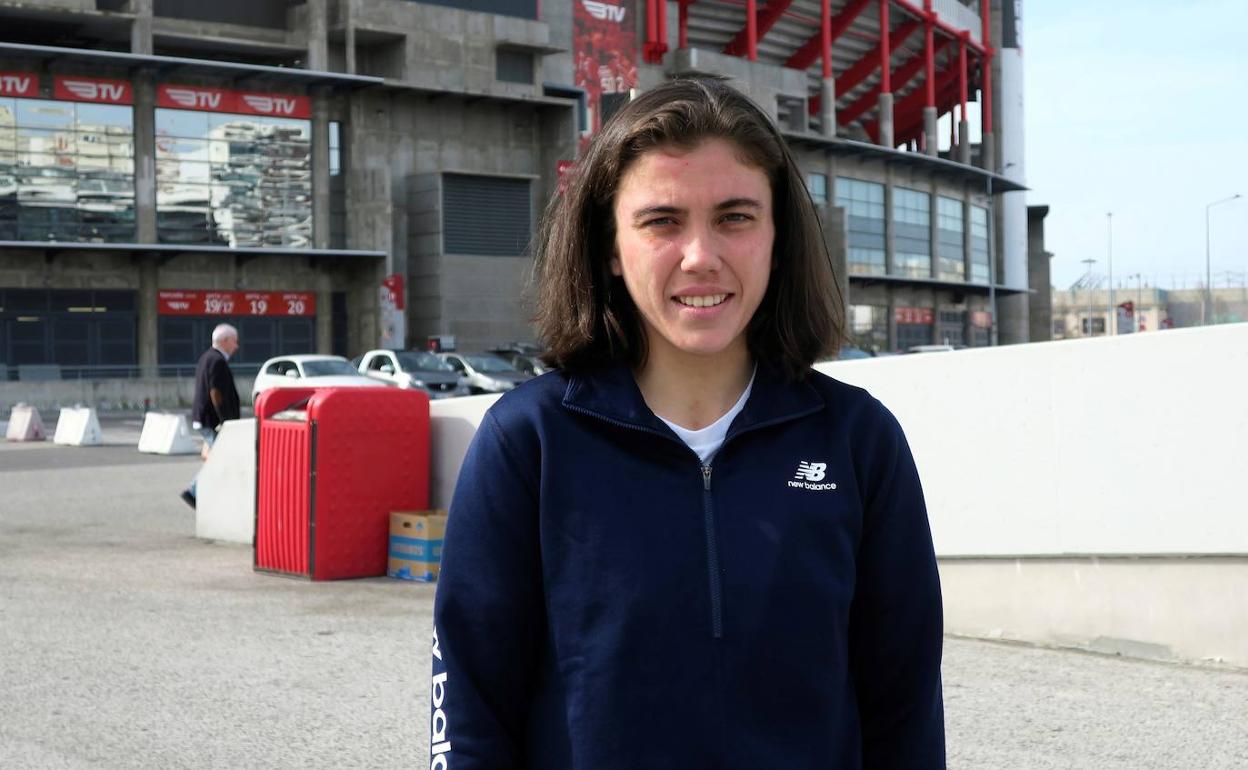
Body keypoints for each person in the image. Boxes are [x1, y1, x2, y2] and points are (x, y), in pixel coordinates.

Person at [431, 78, 944, 769]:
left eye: (735, 217)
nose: (701, 255)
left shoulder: (858, 442)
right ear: (611, 246)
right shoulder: (529, 443)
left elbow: (905, 709)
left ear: (777, 237)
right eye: (662, 221)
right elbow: (470, 711)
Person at [181, 323, 240, 509]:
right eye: (234, 341)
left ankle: (203, 492)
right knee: (220, 458)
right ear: (225, 341)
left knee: (217, 456)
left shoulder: (207, 357)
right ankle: (194, 492)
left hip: (204, 417)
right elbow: (216, 392)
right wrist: (224, 421)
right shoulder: (218, 361)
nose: (236, 346)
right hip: (213, 420)